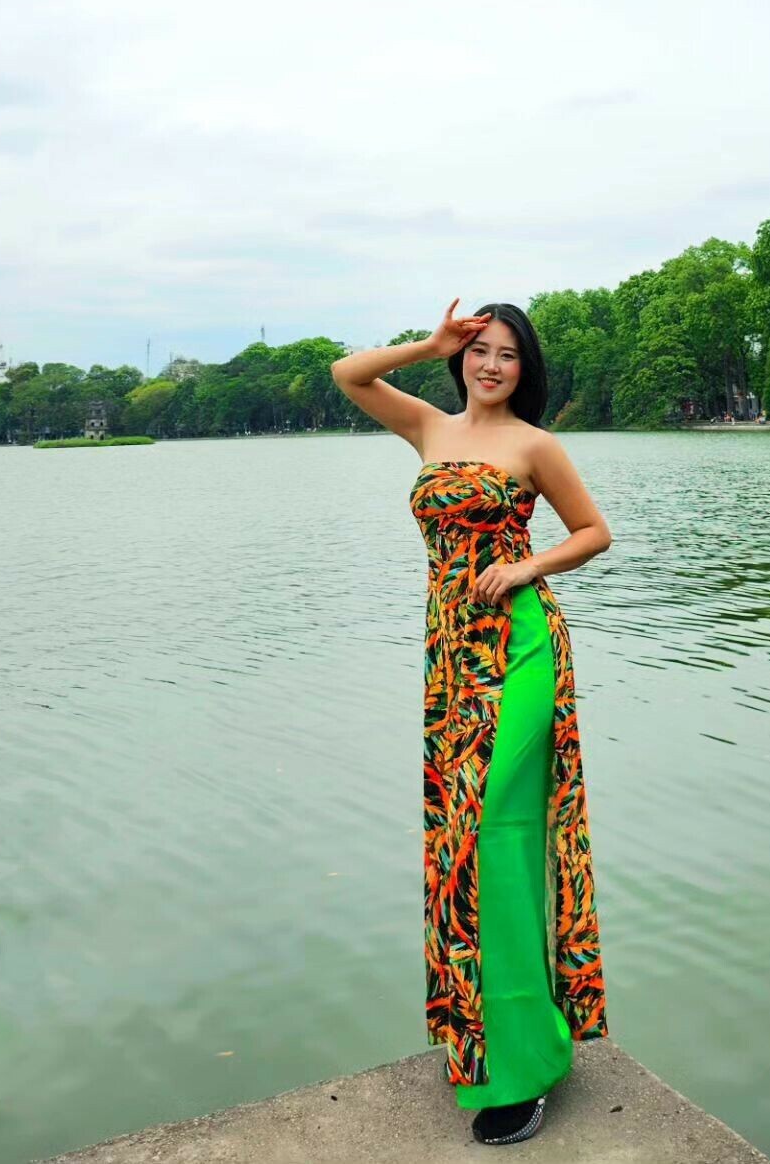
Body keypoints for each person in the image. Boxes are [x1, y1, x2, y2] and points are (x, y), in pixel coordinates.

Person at [331, 297, 612, 1147]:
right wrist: (426, 345)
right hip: (453, 658)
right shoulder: (430, 427)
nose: (491, 364)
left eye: (507, 354)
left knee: (499, 832)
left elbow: (593, 532)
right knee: (460, 847)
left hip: (521, 648)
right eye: (479, 349)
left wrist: (527, 565)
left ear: (526, 369)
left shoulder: (534, 446)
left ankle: (527, 1064)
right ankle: (482, 1038)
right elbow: (348, 374)